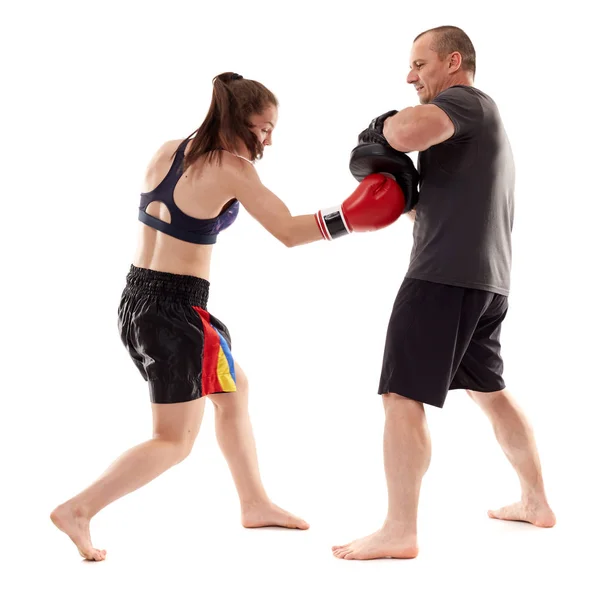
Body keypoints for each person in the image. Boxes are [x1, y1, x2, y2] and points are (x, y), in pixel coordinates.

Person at [50, 72, 407, 561]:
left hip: (140, 299)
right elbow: (286, 230)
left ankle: (254, 502)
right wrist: (352, 219)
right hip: (173, 313)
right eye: (264, 128)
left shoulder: (170, 149)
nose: (269, 139)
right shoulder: (232, 168)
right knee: (173, 442)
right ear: (238, 121)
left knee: (233, 389)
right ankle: (80, 509)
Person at [332, 26, 556, 561]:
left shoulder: (464, 102)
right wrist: (403, 195)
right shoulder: (469, 127)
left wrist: (380, 128)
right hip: (486, 281)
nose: (411, 76)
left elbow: (405, 134)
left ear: (453, 62)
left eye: (420, 65)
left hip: (443, 276)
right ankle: (536, 501)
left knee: (401, 395)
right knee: (490, 391)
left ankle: (399, 530)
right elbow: (432, 199)